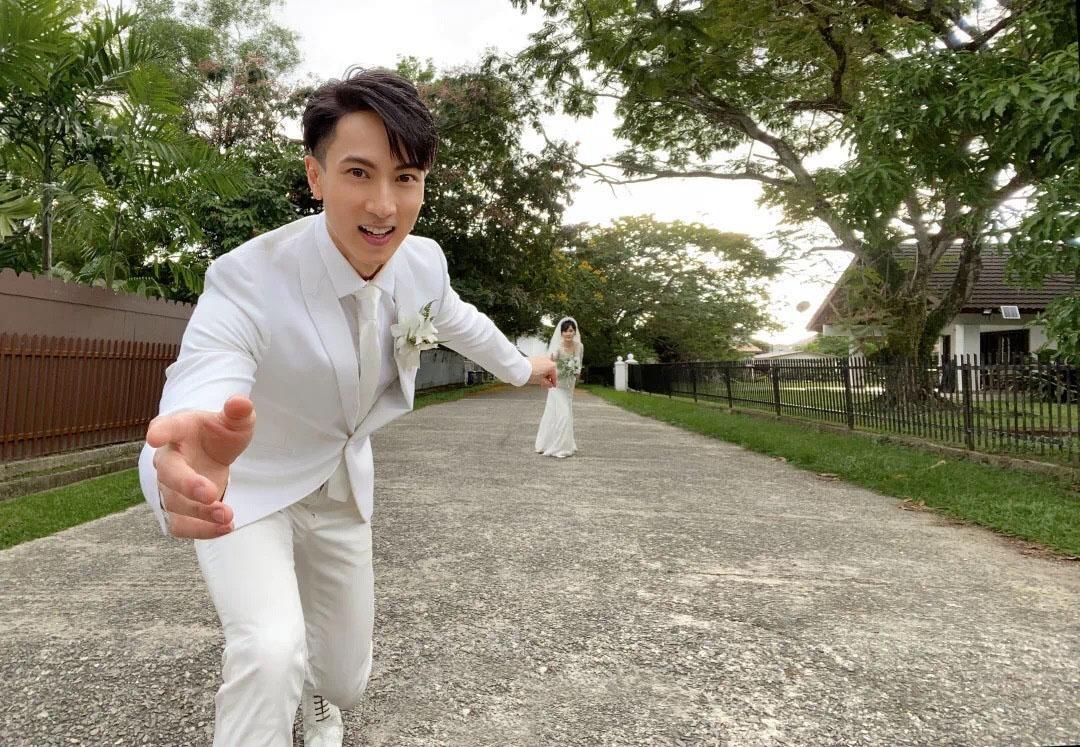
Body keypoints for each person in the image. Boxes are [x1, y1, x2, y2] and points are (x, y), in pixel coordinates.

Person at [137, 68, 557, 747]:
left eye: (405, 178)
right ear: (316, 175)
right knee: (270, 649)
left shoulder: (424, 265)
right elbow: (210, 364)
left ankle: (321, 700)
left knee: (344, 679)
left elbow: (462, 322)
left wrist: (521, 367)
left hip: (341, 486)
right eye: (359, 173)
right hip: (246, 487)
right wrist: (191, 439)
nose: (384, 205)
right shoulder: (248, 276)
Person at [534, 317, 582, 458]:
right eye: (566, 331)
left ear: (575, 332)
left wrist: (576, 372)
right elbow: (551, 361)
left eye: (571, 331)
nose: (568, 333)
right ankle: (560, 448)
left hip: (569, 385)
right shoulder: (558, 347)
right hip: (557, 385)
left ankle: (557, 443)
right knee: (563, 415)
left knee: (563, 414)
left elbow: (578, 364)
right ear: (561, 333)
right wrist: (553, 359)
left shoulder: (579, 346)